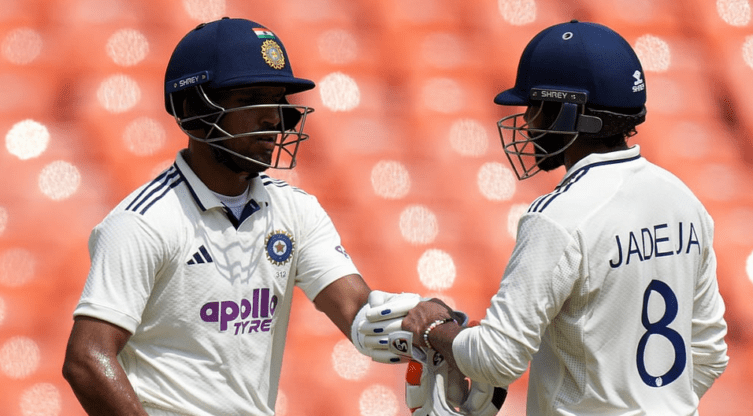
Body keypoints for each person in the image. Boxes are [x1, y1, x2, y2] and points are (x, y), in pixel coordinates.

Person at [62, 17, 416, 416]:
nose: (274, 120)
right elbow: (86, 360)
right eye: (252, 99)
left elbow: (359, 316)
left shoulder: (296, 210)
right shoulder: (142, 222)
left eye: (277, 101)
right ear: (194, 109)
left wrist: (436, 331)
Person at [401, 20, 729, 415]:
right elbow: (708, 354)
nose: (526, 120)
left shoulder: (559, 216)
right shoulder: (683, 200)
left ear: (569, 112)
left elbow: (496, 358)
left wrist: (434, 328)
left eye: (535, 107)